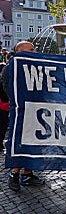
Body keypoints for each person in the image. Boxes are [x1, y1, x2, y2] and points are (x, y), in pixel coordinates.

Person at [1, 41, 45, 191]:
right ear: (20, 52)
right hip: (20, 113)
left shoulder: (35, 68)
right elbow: (8, 89)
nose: (35, 51)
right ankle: (14, 174)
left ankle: (28, 173)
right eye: (31, 49)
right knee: (19, 142)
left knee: (32, 143)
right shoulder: (10, 68)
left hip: (35, 112)